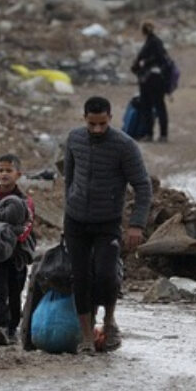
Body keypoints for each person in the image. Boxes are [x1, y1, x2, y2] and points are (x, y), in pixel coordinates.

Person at [64, 96, 152, 354]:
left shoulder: (124, 146)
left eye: (102, 124)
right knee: (79, 278)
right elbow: (69, 178)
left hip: (107, 222)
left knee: (105, 275)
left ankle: (109, 320)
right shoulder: (74, 139)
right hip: (76, 221)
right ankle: (87, 336)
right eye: (92, 124)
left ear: (110, 118)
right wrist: (67, 213)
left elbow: (143, 187)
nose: (97, 129)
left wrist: (136, 225)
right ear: (84, 119)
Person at [0, 154, 35, 346]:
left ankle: (13, 327)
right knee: (0, 290)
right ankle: (1, 326)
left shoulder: (24, 201)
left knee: (15, 290)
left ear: (18, 174)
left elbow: (26, 227)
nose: (4, 174)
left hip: (17, 255)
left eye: (8, 170)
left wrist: (8, 235)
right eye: (1, 170)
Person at [131, 21, 170, 142]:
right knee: (159, 106)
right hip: (158, 80)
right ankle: (163, 135)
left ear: (143, 31)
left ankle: (149, 134)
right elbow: (163, 60)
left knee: (147, 107)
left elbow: (141, 61)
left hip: (148, 80)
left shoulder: (150, 44)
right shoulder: (157, 43)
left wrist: (140, 65)